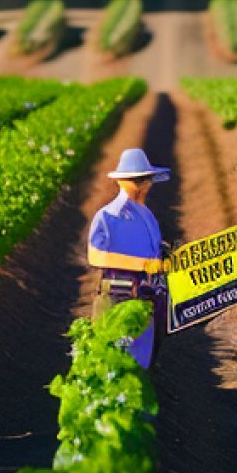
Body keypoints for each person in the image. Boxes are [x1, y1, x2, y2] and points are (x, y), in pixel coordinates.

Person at [88, 147, 170, 369]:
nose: (146, 185)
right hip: (119, 296)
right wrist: (142, 264)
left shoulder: (146, 215)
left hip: (146, 298)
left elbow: (152, 251)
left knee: (142, 361)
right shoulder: (108, 216)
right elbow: (96, 255)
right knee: (116, 360)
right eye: (141, 180)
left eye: (146, 180)